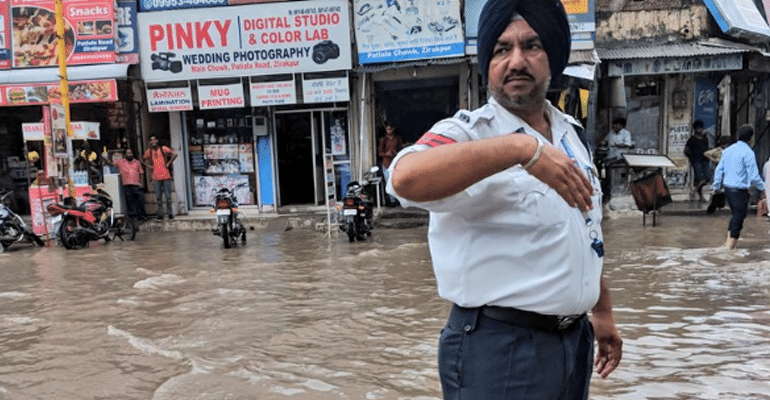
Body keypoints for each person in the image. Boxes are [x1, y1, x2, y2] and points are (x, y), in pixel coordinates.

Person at [386, 1, 622, 398]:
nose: (516, 61)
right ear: (488, 63)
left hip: (572, 341)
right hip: (497, 347)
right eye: (501, 49)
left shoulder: (571, 134)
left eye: (532, 46)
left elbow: (584, 230)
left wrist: (602, 312)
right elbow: (404, 177)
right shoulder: (469, 131)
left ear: (553, 57)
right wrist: (520, 150)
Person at [712, 124, 765, 249]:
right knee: (739, 217)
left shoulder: (728, 150)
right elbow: (754, 176)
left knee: (736, 215)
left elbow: (719, 170)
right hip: (739, 191)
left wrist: (716, 187)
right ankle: (729, 248)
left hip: (728, 190)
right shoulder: (748, 152)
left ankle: (728, 242)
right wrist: (764, 187)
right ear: (750, 138)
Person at [104, 149, 146, 221]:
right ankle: (133, 217)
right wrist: (106, 157)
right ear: (125, 155)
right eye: (127, 153)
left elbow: (141, 173)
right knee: (130, 202)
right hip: (127, 185)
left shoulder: (137, 162)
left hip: (137, 185)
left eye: (130, 153)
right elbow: (111, 164)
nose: (129, 154)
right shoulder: (121, 162)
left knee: (140, 201)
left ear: (132, 154)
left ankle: (142, 216)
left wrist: (141, 183)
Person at [143, 135, 177, 222]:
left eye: (154, 139)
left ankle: (170, 215)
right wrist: (149, 166)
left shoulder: (163, 149)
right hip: (156, 177)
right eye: (151, 140)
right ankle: (160, 216)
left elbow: (175, 154)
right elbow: (142, 160)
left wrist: (169, 163)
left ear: (157, 140)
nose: (153, 141)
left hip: (166, 177)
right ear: (150, 142)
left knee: (168, 198)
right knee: (158, 198)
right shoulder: (149, 152)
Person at [684, 120, 712, 202]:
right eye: (698, 128)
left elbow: (707, 149)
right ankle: (700, 195)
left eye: (701, 128)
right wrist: (692, 156)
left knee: (708, 176)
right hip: (696, 161)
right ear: (695, 129)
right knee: (699, 178)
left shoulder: (705, 139)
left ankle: (696, 190)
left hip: (705, 160)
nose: (700, 130)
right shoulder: (692, 139)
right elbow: (686, 150)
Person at [377, 123, 403, 206]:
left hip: (395, 163)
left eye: (390, 129)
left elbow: (401, 149)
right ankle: (391, 201)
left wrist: (396, 153)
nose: (389, 131)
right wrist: (386, 154)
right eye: (387, 129)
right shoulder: (383, 140)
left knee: (396, 182)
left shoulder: (397, 139)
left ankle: (397, 199)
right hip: (386, 163)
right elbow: (380, 153)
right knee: (388, 182)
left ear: (393, 129)